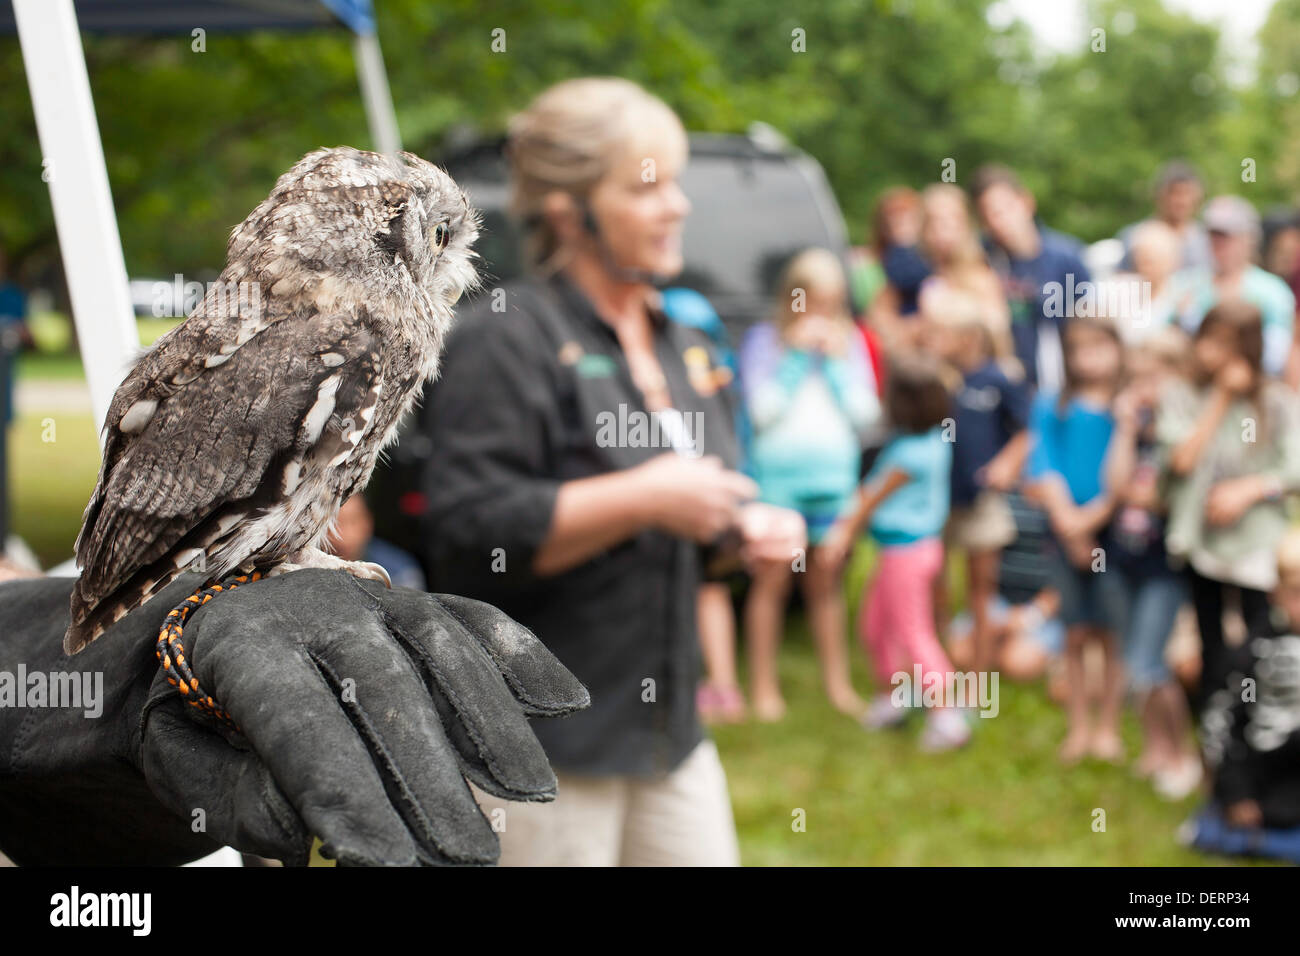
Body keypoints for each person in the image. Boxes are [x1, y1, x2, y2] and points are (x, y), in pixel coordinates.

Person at [420, 77, 805, 866]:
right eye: (645, 186)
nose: (678, 207)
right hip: (547, 746)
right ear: (568, 209)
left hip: (671, 734)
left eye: (677, 182)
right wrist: (646, 497)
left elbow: (696, 522)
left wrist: (741, 533)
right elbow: (467, 536)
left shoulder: (680, 339)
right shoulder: (507, 338)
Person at [739, 248, 879, 720]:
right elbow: (760, 413)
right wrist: (797, 358)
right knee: (773, 582)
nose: (822, 314)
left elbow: (867, 415)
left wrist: (837, 365)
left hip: (833, 478)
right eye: (813, 302)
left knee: (826, 582)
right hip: (779, 481)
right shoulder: (766, 341)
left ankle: (838, 686)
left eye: (831, 303)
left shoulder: (852, 341)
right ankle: (763, 688)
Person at [1157, 300, 1300, 718]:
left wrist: (1251, 489)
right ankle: (1214, 730)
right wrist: (1220, 398)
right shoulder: (1182, 394)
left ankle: (1256, 726)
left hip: (1257, 546)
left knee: (1260, 637)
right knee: (1210, 638)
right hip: (1201, 542)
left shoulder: (1275, 401)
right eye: (1209, 339)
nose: (1211, 352)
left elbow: (1293, 469)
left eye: (1226, 343)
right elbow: (1182, 461)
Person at [820, 356, 970, 751]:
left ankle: (947, 717)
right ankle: (893, 698)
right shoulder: (929, 438)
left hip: (908, 553)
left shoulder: (910, 454)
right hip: (904, 552)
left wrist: (841, 533)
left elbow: (871, 496)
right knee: (876, 625)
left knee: (914, 633)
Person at [1023, 315, 1126, 763]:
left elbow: (1127, 475)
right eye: (1080, 350)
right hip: (1064, 536)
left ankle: (1110, 727)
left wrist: (1092, 520)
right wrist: (1069, 523)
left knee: (1110, 632)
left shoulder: (1124, 408)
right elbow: (1042, 464)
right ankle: (1079, 727)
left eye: (1100, 348)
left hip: (1115, 536)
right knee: (1076, 631)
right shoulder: (1052, 404)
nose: (1090, 359)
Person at [1105, 330, 1202, 799]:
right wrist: (1124, 429)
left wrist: (1135, 491)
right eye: (1136, 377)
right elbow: (1115, 484)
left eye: (1153, 377)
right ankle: (1155, 748)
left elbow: (1160, 496)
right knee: (1134, 659)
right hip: (1126, 558)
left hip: (1166, 565)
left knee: (1148, 663)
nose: (1143, 387)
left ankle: (1183, 754)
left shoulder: (1183, 430)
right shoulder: (1135, 428)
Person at [922, 290, 1029, 678]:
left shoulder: (1000, 379)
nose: (930, 341)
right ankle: (936, 668)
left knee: (981, 590)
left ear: (967, 337)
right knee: (935, 585)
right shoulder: (934, 379)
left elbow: (1025, 431)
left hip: (981, 501)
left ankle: (978, 678)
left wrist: (1006, 464)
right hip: (936, 499)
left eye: (939, 334)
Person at [1199, 527, 1300, 833]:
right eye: (1297, 592)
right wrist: (1236, 791)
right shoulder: (1252, 656)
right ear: (1276, 594)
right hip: (1270, 768)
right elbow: (1224, 724)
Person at [971, 165, 1092, 392]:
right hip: (1004, 384)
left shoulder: (1066, 257)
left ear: (1026, 202)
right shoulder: (981, 259)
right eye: (987, 215)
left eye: (1002, 210)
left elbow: (1088, 323)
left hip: (1062, 382)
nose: (998, 222)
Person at [1165, 195, 1296, 377]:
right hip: (1190, 381)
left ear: (1248, 239)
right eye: (1213, 235)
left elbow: (1277, 355)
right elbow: (1160, 338)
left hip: (1249, 385)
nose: (1218, 244)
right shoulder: (1183, 284)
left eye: (1226, 236)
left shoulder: (1273, 292)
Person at [862, 187, 930, 350]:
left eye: (907, 219)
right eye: (893, 220)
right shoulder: (874, 266)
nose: (899, 225)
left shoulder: (928, 257)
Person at [1117, 161, 1211, 272]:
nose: (1181, 201)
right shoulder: (1135, 236)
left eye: (1187, 193)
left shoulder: (1206, 239)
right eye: (1174, 193)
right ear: (1159, 195)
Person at [327, 494, 426, 591]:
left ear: (367, 522)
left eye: (353, 521)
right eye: (334, 524)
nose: (345, 533)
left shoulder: (400, 572)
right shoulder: (313, 566)